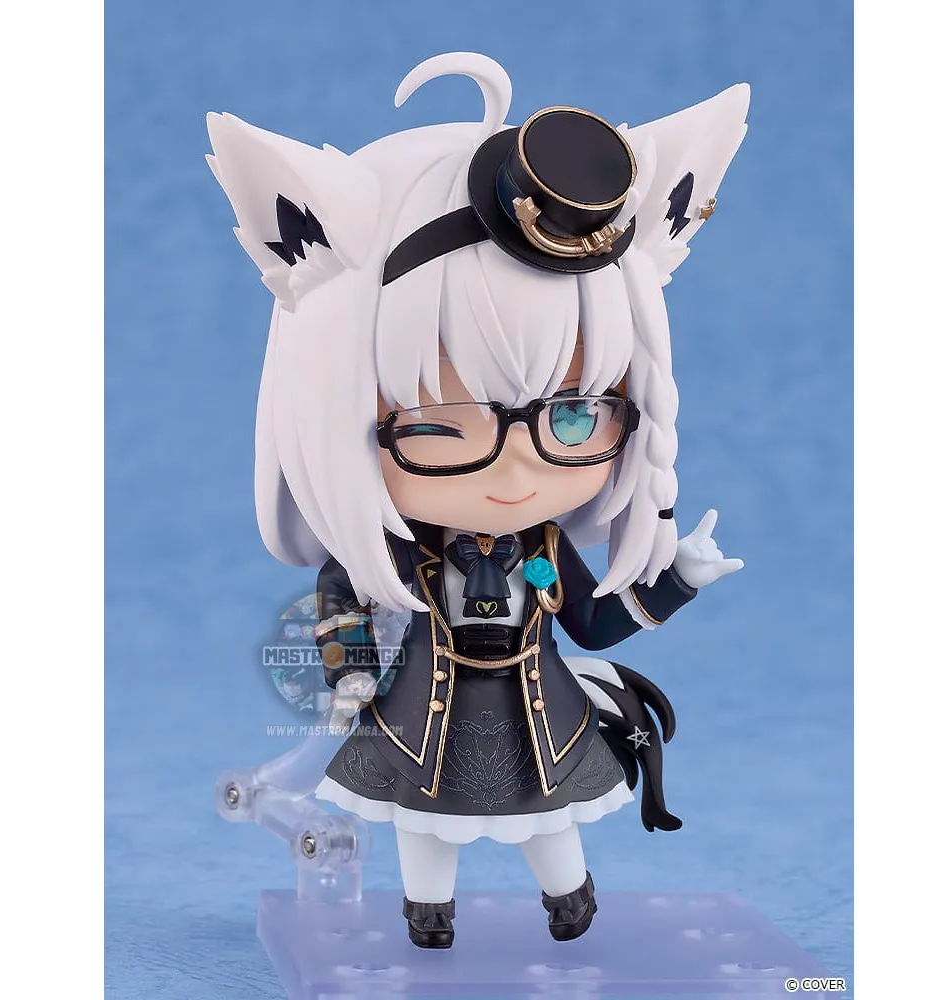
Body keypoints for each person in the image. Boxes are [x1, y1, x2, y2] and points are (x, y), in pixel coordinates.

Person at [207, 51, 748, 948]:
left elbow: (593, 625)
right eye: (439, 426)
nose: (516, 469)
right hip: (421, 723)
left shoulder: (544, 547)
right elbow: (340, 602)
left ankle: (569, 898)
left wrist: (677, 579)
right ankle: (428, 911)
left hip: (541, 724)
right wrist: (348, 675)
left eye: (572, 417)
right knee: (423, 823)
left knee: (550, 819)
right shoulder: (400, 555)